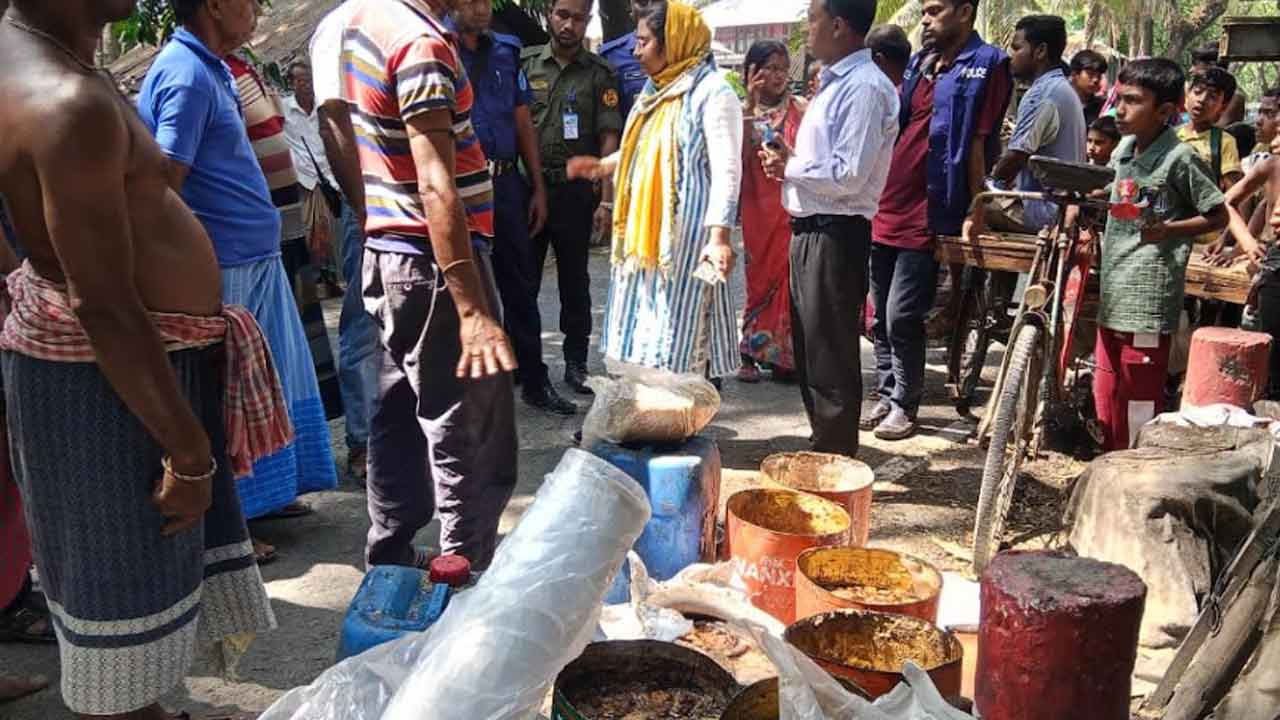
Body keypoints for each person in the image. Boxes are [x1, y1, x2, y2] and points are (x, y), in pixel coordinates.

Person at [0, 0, 284, 715]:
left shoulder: (33, 61)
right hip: (109, 377)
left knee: (133, 590)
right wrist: (189, 454)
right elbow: (103, 304)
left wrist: (25, 280)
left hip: (107, 366)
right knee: (120, 597)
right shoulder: (68, 102)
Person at [137, 0, 338, 553]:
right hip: (222, 267)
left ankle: (265, 500)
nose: (255, 8)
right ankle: (229, 527)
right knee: (227, 397)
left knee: (268, 387)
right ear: (215, 5)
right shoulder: (186, 76)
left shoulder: (212, 67)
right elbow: (164, 184)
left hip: (254, 258)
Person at [343, 0, 519, 572]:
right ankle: (465, 581)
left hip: (391, 253)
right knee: (471, 431)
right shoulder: (421, 46)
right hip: (433, 264)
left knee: (396, 414)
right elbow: (437, 185)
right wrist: (471, 308)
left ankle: (391, 557)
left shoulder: (365, 21)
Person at [570, 2, 743, 380]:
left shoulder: (713, 94)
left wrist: (719, 238)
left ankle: (681, 420)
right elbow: (638, 146)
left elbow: (728, 169)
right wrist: (604, 166)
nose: (636, 52)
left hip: (687, 241)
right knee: (648, 329)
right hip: (646, 239)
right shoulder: (654, 89)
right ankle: (647, 416)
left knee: (682, 332)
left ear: (673, 42)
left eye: (645, 42)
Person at [761, 0, 900, 458]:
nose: (808, 29)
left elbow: (849, 175)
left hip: (835, 233)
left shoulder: (864, 88)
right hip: (812, 229)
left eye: (813, 20)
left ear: (839, 25)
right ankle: (825, 451)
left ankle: (836, 461)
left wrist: (791, 165)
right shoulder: (836, 83)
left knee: (830, 355)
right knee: (812, 351)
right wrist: (790, 162)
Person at [869, 0, 1011, 439]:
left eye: (934, 10)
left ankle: (905, 404)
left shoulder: (990, 65)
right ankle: (885, 388)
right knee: (877, 314)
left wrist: (977, 206)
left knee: (902, 314)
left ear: (965, 11)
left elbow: (979, 143)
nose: (926, 19)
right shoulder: (921, 61)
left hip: (929, 209)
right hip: (887, 202)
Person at [1095, 58, 1228, 451]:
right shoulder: (1123, 150)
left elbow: (1217, 214)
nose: (1120, 110)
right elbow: (1122, 198)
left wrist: (1169, 230)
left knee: (1137, 399)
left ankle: (1137, 475)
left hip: (1148, 297)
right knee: (1106, 391)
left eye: (1133, 101)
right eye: (1119, 99)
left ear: (1166, 111)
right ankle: (1108, 467)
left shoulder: (1179, 158)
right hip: (1113, 290)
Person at [451, 0, 576, 416]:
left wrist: (536, 187)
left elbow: (523, 122)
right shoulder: (438, 48)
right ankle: (473, 392)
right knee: (465, 286)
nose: (482, 9)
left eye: (486, 1)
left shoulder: (507, 50)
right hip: (459, 185)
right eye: (472, 2)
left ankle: (534, 380)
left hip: (506, 183)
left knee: (519, 284)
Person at [282, 59, 381, 479]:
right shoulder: (343, 50)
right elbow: (331, 133)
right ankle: (363, 442)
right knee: (364, 328)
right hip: (362, 206)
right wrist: (361, 207)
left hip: (398, 206)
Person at [523, 0, 624, 395]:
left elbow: (609, 137)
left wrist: (605, 198)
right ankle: (526, 361)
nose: (568, 25)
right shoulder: (527, 64)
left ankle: (576, 363)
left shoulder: (600, 73)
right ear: (550, 13)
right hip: (530, 189)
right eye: (562, 15)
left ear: (588, 21)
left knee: (574, 282)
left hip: (574, 193)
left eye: (578, 18)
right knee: (523, 279)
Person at [968, 14, 1084, 236]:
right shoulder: (1064, 89)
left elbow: (1015, 156)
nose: (1011, 56)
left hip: (1042, 211)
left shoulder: (1041, 94)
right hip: (1060, 207)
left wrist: (988, 185)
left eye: (1017, 48)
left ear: (1040, 51)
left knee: (965, 204)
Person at [737, 40, 805, 384]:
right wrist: (749, 103)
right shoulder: (740, 111)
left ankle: (782, 355)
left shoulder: (801, 109)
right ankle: (749, 352)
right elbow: (736, 155)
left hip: (790, 205)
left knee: (789, 280)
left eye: (783, 68)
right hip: (756, 207)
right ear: (752, 72)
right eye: (770, 68)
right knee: (759, 279)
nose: (778, 76)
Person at [1178, 66, 1243, 193]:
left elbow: (1233, 191)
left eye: (1212, 97)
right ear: (1187, 95)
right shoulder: (1169, 135)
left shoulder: (1224, 142)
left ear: (1223, 107)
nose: (1201, 100)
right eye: (1197, 92)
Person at [599, 0, 665, 119]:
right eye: (642, 2)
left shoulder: (685, 50)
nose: (650, 5)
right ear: (631, 7)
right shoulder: (612, 55)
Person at [1192, 43, 1247, 128]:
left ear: (1211, 66)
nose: (1191, 69)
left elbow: (1219, 129)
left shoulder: (1235, 97)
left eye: (1195, 64)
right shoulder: (1191, 91)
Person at [1069, 48, 1107, 126]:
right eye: (1090, 74)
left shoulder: (1103, 108)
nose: (1096, 80)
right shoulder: (1059, 103)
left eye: (1099, 76)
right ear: (1074, 74)